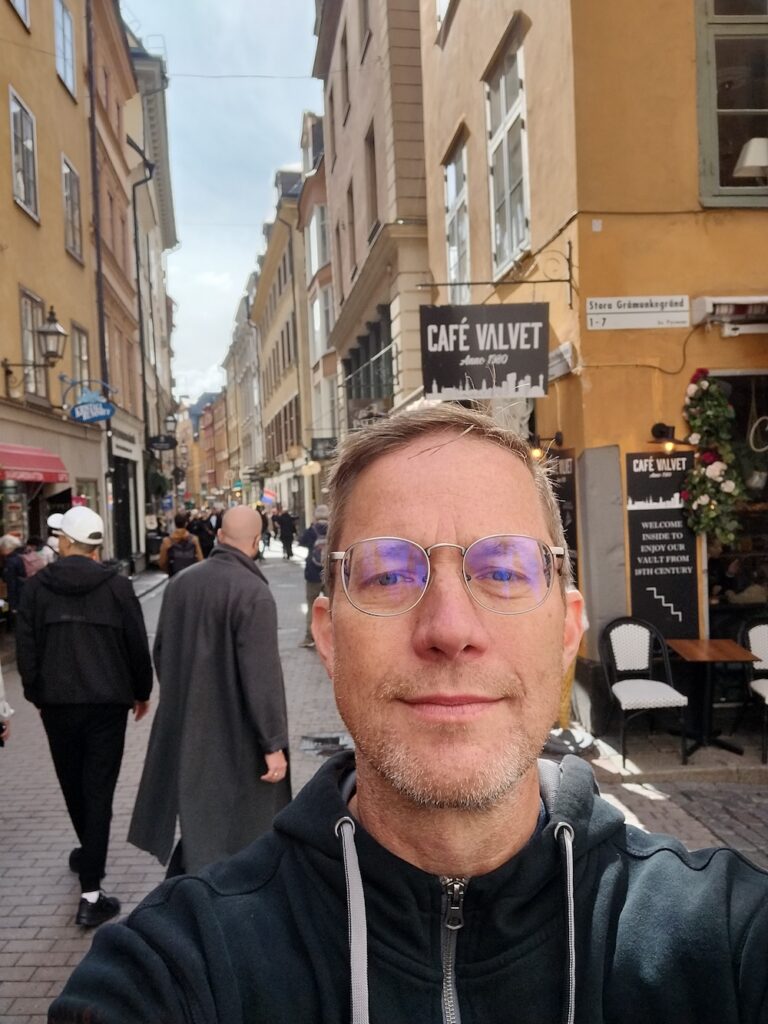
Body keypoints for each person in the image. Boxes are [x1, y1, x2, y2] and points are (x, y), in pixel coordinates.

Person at [50, 407, 768, 1022]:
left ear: (567, 627)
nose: (450, 628)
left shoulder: (723, 935)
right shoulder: (183, 964)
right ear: (328, 636)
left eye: (504, 570)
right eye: (390, 574)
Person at [127, 505, 290, 878]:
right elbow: (261, 675)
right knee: (243, 827)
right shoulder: (254, 593)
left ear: (218, 536)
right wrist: (273, 744)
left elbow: (162, 651)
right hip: (238, 734)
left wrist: (186, 694)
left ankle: (193, 885)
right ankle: (211, 894)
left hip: (189, 724)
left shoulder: (181, 584)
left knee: (200, 817)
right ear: (256, 541)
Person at [15, 506, 152, 928]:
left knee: (73, 785)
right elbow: (136, 643)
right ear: (95, 545)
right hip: (108, 704)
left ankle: (88, 866)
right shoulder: (118, 587)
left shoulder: (36, 589)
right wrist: (141, 691)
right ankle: (91, 887)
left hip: (57, 704)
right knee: (98, 790)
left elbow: (26, 647)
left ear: (65, 542)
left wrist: (35, 693)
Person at [298, 503, 329, 648]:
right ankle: (332, 637)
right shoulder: (333, 529)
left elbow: (301, 541)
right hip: (328, 574)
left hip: (312, 574)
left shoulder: (312, 530)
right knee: (331, 606)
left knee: (312, 606)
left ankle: (309, 637)